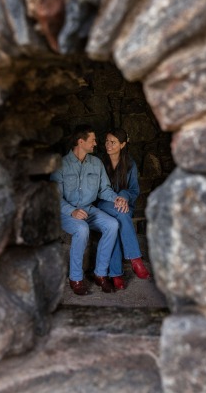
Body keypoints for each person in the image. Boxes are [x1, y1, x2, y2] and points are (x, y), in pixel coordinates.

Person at [50, 124, 129, 295]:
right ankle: (76, 278)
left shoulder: (96, 163)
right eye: (92, 140)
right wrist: (72, 211)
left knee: (112, 224)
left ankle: (100, 274)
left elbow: (104, 189)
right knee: (81, 228)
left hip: (89, 209)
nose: (96, 143)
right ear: (81, 141)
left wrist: (117, 198)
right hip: (66, 213)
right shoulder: (60, 165)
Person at [97, 128, 151, 290]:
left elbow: (134, 190)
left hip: (124, 206)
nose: (108, 145)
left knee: (116, 222)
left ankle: (116, 274)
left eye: (113, 142)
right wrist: (116, 198)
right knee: (121, 213)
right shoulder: (99, 162)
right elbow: (98, 190)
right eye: (106, 141)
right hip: (103, 204)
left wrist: (123, 196)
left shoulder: (130, 164)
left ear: (122, 144)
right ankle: (136, 259)